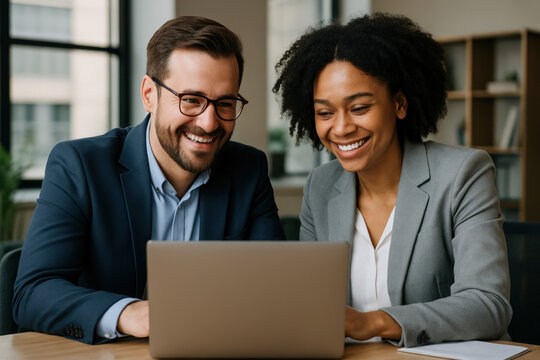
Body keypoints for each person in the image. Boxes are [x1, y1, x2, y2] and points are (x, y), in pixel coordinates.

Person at [13, 16, 285, 345]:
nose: (209, 122)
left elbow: (272, 290)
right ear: (148, 95)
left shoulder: (248, 169)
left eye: (225, 103)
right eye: (191, 100)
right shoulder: (80, 166)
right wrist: (130, 314)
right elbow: (33, 292)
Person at [273, 13, 511, 348]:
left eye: (359, 108)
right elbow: (312, 303)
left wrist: (371, 323)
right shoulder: (320, 186)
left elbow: (489, 305)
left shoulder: (463, 174)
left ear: (399, 104)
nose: (340, 128)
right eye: (325, 113)